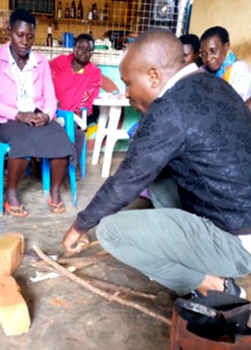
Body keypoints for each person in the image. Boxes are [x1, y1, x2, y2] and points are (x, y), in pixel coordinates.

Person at [61, 28, 251, 299]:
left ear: (153, 76)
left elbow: (125, 182)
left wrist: (78, 227)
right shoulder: (213, 84)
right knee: (160, 187)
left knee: (110, 231)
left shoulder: (170, 109)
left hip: (239, 242)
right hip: (240, 215)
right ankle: (204, 256)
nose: (126, 93)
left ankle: (214, 285)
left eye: (127, 82)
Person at [0, 8, 76, 217]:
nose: (25, 41)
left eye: (30, 37)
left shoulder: (39, 61)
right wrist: (17, 114)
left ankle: (55, 191)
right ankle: (11, 192)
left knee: (61, 140)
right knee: (22, 143)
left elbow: (50, 96)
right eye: (20, 35)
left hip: (36, 115)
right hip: (9, 118)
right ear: (9, 32)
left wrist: (47, 115)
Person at [49, 34, 102, 175]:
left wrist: (74, 113)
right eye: (81, 48)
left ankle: (72, 167)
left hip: (74, 115)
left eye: (88, 50)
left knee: (77, 133)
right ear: (74, 48)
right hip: (51, 111)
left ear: (92, 53)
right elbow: (44, 81)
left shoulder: (94, 72)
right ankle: (43, 166)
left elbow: (88, 96)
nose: (84, 52)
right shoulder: (59, 63)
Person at [200, 26, 251, 101]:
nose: (208, 58)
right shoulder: (202, 71)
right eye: (204, 54)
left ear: (226, 47)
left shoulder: (239, 69)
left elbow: (237, 103)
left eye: (213, 51)